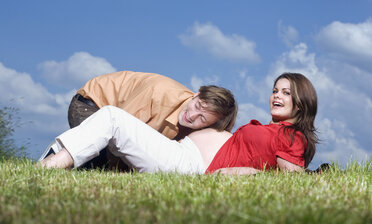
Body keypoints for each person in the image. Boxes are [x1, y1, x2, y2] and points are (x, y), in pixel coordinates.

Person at [40, 72, 318, 175]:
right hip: (182, 155)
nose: (276, 96)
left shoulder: (294, 137)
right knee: (111, 118)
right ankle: (46, 165)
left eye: (286, 92)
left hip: (191, 165)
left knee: (113, 118)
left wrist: (241, 174)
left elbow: (290, 177)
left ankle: (46, 168)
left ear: (301, 102)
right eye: (275, 89)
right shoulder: (272, 129)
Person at [39, 71, 238, 169]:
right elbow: (114, 128)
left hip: (109, 114)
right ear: (195, 95)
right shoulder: (159, 95)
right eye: (197, 106)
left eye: (202, 118)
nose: (192, 116)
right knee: (95, 160)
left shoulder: (193, 128)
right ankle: (46, 164)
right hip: (90, 105)